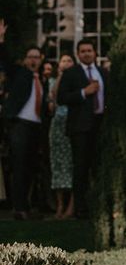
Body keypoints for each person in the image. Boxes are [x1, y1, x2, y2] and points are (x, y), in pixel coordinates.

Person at [57, 38, 108, 219]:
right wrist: (83, 92)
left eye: (89, 50)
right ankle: (80, 209)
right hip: (80, 127)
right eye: (83, 51)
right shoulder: (71, 73)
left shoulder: (103, 72)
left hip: (100, 125)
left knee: (99, 168)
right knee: (81, 168)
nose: (86, 53)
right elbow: (61, 97)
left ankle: (99, 207)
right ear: (78, 54)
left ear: (95, 53)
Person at [2, 45, 46, 219]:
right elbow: (6, 61)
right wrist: (1, 41)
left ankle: (26, 206)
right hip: (20, 125)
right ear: (26, 60)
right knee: (19, 167)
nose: (33, 60)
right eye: (30, 57)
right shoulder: (19, 74)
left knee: (30, 167)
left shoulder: (41, 79)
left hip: (36, 127)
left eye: (36, 57)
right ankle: (18, 208)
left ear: (40, 60)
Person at [49, 54, 75, 218]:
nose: (66, 63)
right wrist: (61, 75)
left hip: (73, 122)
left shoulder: (78, 79)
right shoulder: (54, 80)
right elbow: (55, 97)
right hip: (58, 125)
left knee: (73, 163)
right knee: (58, 165)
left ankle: (71, 205)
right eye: (63, 61)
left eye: (69, 61)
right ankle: (60, 205)